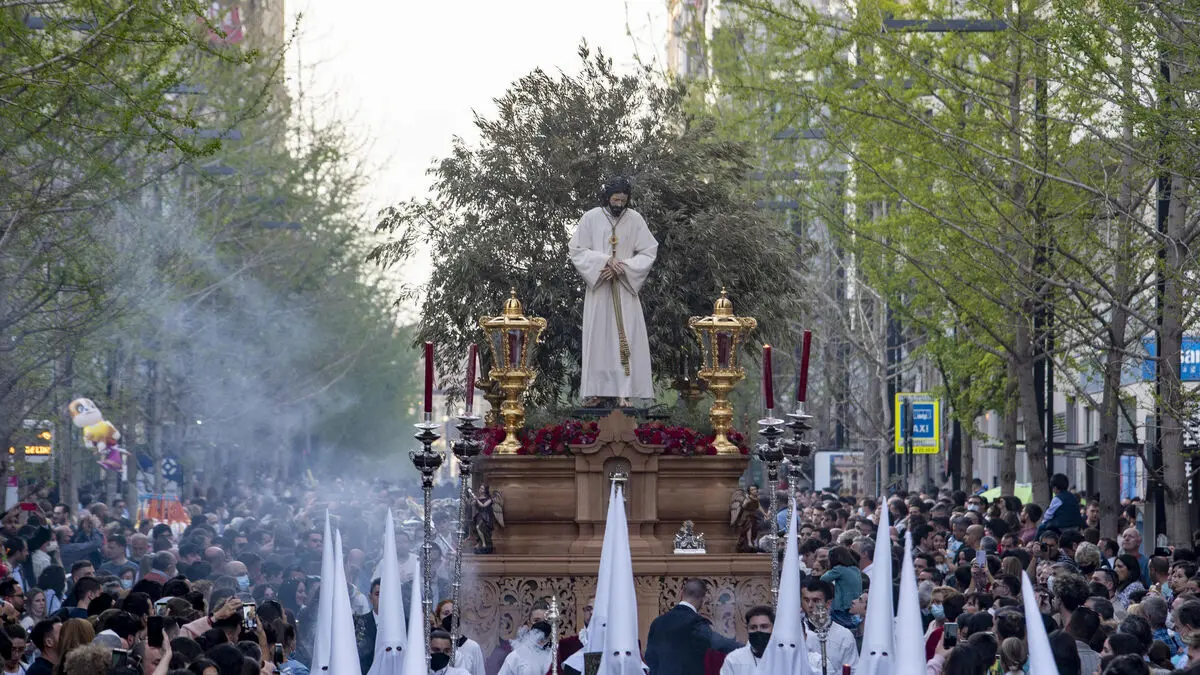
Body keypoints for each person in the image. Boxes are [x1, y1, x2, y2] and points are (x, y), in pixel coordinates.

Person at [568, 175, 659, 407]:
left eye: (623, 200)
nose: (619, 204)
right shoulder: (591, 218)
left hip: (625, 291)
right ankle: (596, 391)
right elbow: (577, 250)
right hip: (599, 291)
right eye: (616, 199)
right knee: (598, 338)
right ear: (607, 197)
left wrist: (622, 268)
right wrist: (604, 262)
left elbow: (649, 251)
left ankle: (623, 393)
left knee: (625, 337)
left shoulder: (635, 219)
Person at [644, 579, 741, 675]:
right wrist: (748, 647)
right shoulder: (695, 623)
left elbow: (650, 659)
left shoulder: (658, 622)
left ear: (682, 593)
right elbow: (719, 643)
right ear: (702, 599)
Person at [800, 577, 858, 672]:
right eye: (806, 600)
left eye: (816, 600)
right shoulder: (798, 632)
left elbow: (853, 670)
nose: (810, 605)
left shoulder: (844, 636)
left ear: (828, 603)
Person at [718, 605, 773, 674]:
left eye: (764, 627)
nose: (758, 631)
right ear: (747, 629)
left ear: (774, 629)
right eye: (753, 627)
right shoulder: (734, 659)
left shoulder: (785, 658)